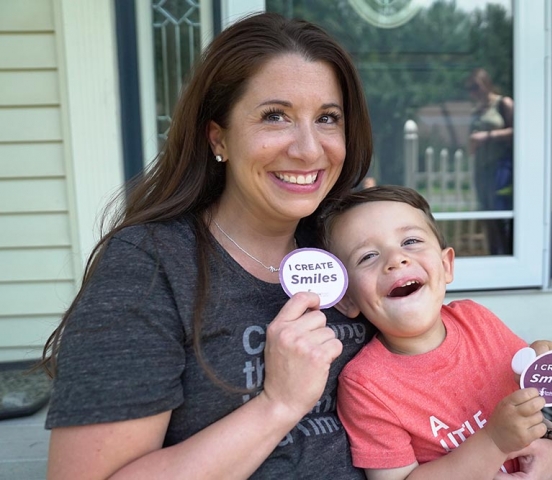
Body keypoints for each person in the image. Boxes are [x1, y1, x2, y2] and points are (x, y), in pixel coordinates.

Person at [40, 12, 373, 479]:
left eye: (327, 118)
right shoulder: (150, 267)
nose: (309, 149)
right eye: (275, 116)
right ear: (219, 137)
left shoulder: (354, 245)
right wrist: (277, 405)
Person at [320, 185, 552, 480]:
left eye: (410, 241)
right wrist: (493, 441)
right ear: (348, 297)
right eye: (368, 256)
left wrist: (541, 364)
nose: (396, 260)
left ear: (447, 265)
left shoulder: (477, 321)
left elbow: (529, 398)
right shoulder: (365, 385)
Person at [466, 68, 514, 255]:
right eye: (469, 89)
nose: (473, 92)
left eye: (475, 87)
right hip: (481, 167)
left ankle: (509, 255)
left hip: (501, 165)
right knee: (486, 212)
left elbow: (518, 131)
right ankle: (494, 255)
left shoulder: (503, 103)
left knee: (500, 210)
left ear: (486, 84)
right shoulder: (476, 110)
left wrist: (486, 136)